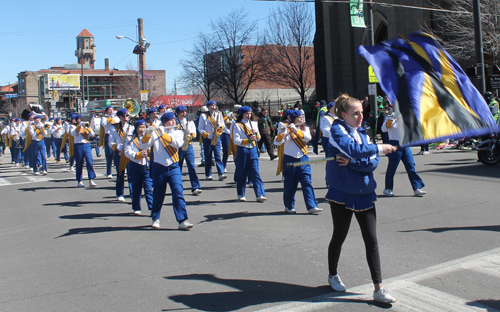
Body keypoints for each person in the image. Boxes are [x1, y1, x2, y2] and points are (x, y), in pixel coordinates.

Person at [325, 94, 397, 303]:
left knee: (371, 239)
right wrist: (379, 148)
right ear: (344, 114)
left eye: (361, 113)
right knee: (339, 235)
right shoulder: (336, 130)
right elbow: (355, 151)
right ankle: (332, 274)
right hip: (342, 191)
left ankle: (379, 288)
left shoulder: (363, 132)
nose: (359, 117)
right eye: (355, 113)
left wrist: (354, 163)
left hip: (365, 191)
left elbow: (372, 163)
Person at [139, 112, 193, 230]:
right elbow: (143, 146)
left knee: (178, 191)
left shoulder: (177, 132)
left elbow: (178, 144)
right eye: (170, 121)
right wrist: (147, 135)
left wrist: (163, 134)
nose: (173, 122)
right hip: (159, 167)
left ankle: (182, 220)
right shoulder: (156, 133)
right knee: (158, 194)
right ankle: (155, 218)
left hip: (173, 166)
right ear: (164, 122)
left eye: (174, 120)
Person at [274, 110, 321, 214]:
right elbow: (277, 142)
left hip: (303, 159)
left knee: (307, 182)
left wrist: (296, 131)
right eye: (299, 118)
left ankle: (312, 206)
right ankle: (289, 206)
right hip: (290, 159)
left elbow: (307, 138)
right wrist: (282, 133)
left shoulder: (305, 128)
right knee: (290, 184)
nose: (301, 119)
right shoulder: (287, 128)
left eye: (302, 117)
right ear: (293, 119)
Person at [381, 112, 426, 197]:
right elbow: (383, 129)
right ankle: (388, 188)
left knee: (411, 166)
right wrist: (390, 120)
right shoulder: (389, 117)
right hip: (394, 144)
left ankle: (416, 188)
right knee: (392, 167)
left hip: (405, 144)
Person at [232, 106, 266, 202]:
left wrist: (256, 134)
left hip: (253, 149)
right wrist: (249, 140)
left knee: (256, 172)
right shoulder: (237, 125)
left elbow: (258, 138)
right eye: (246, 114)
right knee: (242, 173)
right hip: (243, 150)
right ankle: (241, 193)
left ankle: (260, 194)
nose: (248, 115)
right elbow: (236, 140)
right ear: (242, 114)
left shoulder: (254, 123)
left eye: (250, 113)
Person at [124, 119, 153, 214]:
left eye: (144, 127)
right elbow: (127, 152)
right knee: (136, 187)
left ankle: (152, 207)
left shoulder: (149, 138)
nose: (142, 129)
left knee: (148, 187)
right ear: (136, 129)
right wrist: (137, 155)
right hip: (135, 164)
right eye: (140, 127)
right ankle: (136, 207)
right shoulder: (130, 138)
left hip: (147, 165)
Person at [175, 105, 202, 195]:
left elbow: (194, 135)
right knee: (178, 167)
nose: (184, 113)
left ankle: (195, 186)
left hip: (188, 145)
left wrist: (190, 132)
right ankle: (178, 187)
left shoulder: (189, 122)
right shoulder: (175, 123)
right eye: (182, 112)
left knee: (191, 166)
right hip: (179, 147)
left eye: (185, 112)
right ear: (178, 113)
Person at [109, 108, 134, 202]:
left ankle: (132, 194)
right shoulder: (114, 127)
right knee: (120, 174)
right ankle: (120, 193)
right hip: (119, 153)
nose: (125, 117)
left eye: (127, 116)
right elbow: (110, 142)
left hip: (129, 152)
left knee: (131, 174)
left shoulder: (131, 127)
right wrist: (117, 147)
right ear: (119, 117)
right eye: (123, 116)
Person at [197, 100, 227, 181]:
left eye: (214, 105)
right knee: (208, 156)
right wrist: (208, 135)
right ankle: (208, 174)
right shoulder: (203, 116)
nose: (213, 107)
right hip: (207, 138)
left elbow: (223, 125)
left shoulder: (219, 114)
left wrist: (219, 126)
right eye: (211, 105)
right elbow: (200, 128)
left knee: (218, 155)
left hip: (216, 137)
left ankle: (221, 173)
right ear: (208, 107)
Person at [71, 115, 97, 188]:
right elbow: (73, 134)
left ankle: (91, 179)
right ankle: (79, 181)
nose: (81, 120)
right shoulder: (74, 126)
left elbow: (92, 134)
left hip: (87, 144)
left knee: (89, 161)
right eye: (79, 119)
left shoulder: (86, 126)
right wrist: (80, 126)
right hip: (78, 145)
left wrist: (87, 127)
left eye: (81, 119)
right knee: (79, 163)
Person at [100, 106, 119, 179]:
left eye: (112, 110)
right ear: (107, 111)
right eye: (109, 110)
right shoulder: (104, 118)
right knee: (109, 155)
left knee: (117, 154)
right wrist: (110, 118)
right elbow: (104, 124)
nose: (111, 111)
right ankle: (109, 172)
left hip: (116, 135)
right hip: (108, 135)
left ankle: (119, 172)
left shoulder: (116, 118)